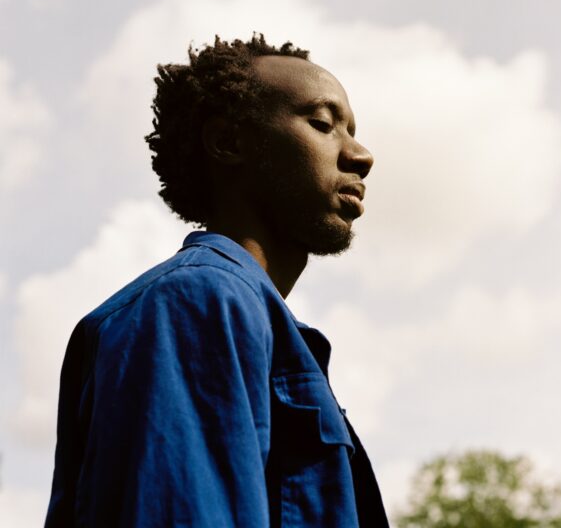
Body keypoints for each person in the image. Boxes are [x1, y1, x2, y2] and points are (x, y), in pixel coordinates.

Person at [45, 34, 389, 527]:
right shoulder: (196, 303)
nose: (361, 155)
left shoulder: (254, 322)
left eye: (352, 130)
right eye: (322, 123)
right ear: (228, 142)